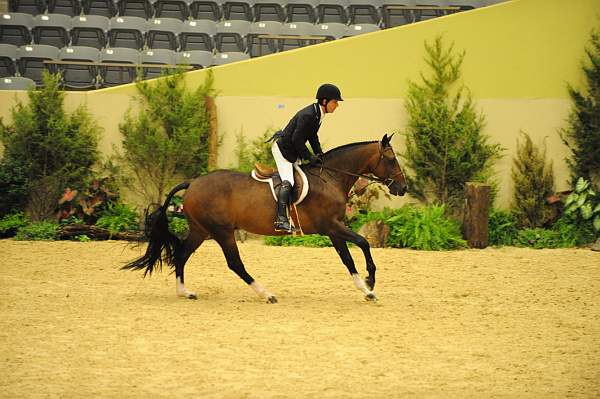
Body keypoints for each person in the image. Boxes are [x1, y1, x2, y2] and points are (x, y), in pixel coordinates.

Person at [270, 83, 343, 232]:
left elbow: (312, 136)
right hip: (283, 151)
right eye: (335, 102)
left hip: (293, 151)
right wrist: (309, 157)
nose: (337, 105)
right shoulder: (308, 115)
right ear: (324, 102)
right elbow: (297, 139)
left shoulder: (317, 114)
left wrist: (320, 154)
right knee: (289, 181)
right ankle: (281, 219)